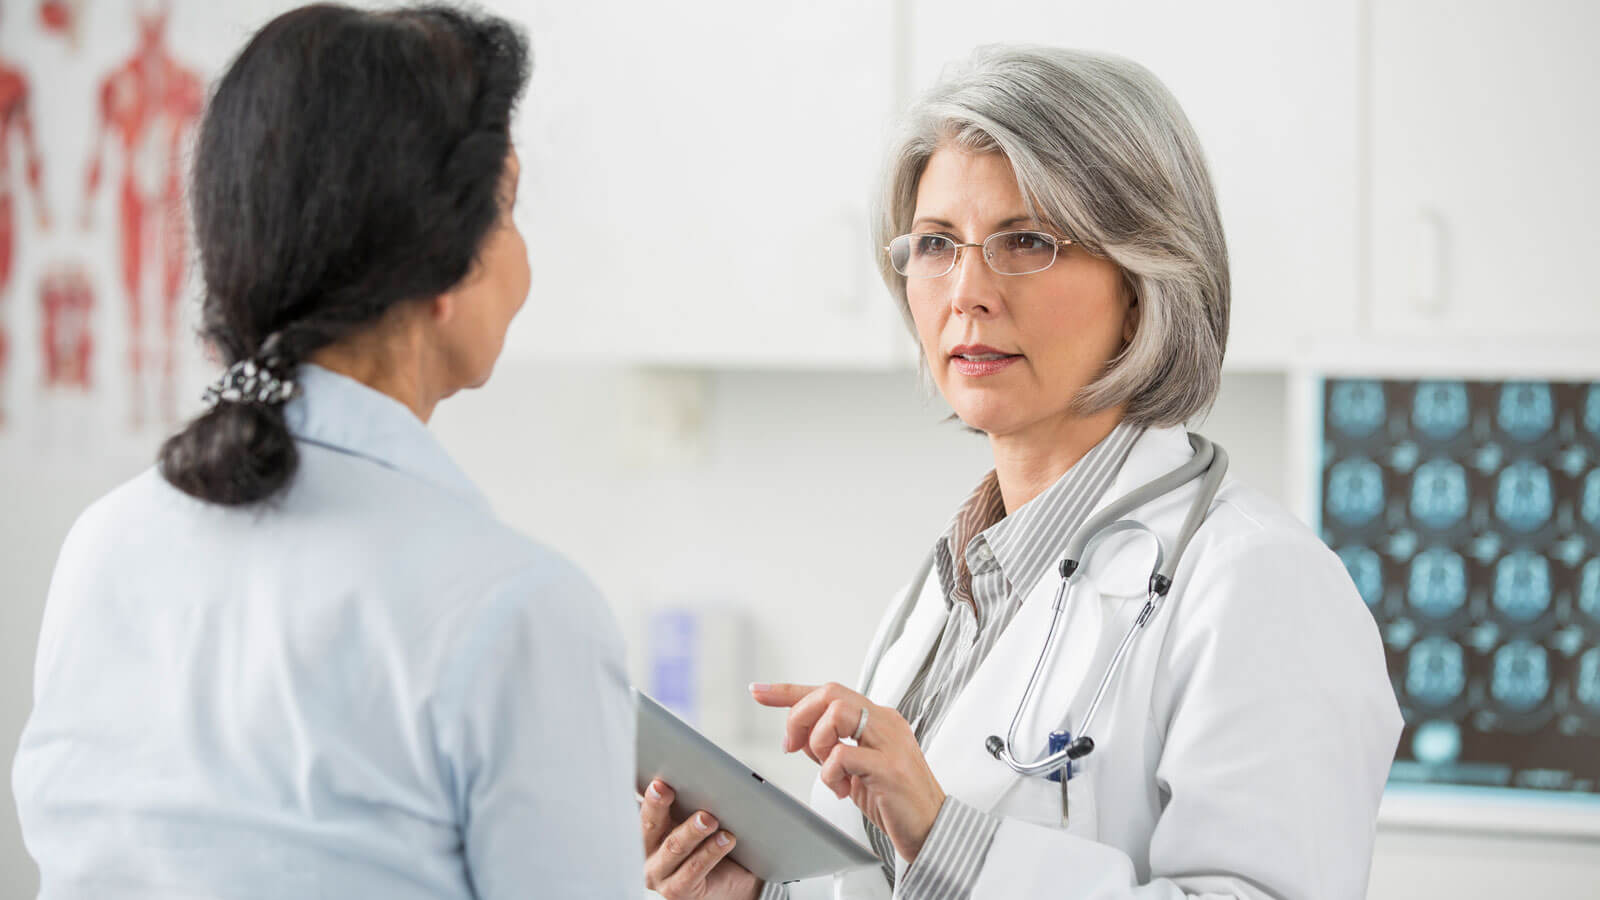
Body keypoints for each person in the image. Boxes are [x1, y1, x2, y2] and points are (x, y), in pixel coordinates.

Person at [641, 45, 1401, 900]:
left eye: (1027, 241)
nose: (966, 291)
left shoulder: (1262, 584)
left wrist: (948, 840)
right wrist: (759, 894)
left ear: (1143, 282)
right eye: (936, 244)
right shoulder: (945, 595)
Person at [12, 6, 641, 898]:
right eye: (506, 208)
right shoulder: (517, 614)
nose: (523, 255)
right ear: (440, 267)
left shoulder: (102, 548)